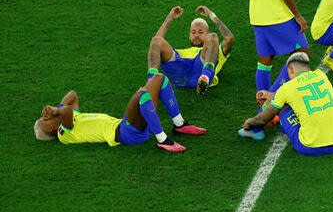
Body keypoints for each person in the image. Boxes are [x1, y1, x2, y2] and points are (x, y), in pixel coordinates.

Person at [33, 73, 206, 153]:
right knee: (141, 95)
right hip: (124, 133)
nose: (45, 115)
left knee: (160, 79)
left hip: (127, 128)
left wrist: (56, 108)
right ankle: (163, 140)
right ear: (50, 129)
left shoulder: (66, 118)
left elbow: (73, 95)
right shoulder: (64, 133)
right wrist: (56, 110)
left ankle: (180, 124)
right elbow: (67, 110)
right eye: (44, 119)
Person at [239, 52, 333, 156]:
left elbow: (263, 119)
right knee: (294, 101)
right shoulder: (321, 75)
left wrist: (250, 122)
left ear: (290, 69)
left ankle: (257, 132)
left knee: (282, 107)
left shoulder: (286, 88)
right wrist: (272, 94)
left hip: (310, 147)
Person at [148, 5, 234, 95]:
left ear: (206, 34)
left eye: (201, 32)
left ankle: (205, 76)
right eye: (193, 32)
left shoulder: (214, 51)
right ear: (189, 35)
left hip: (200, 68)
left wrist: (211, 15)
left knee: (213, 36)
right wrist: (169, 18)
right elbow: (156, 44)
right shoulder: (181, 52)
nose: (196, 35)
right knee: (156, 40)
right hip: (179, 69)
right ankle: (152, 81)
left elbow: (229, 38)